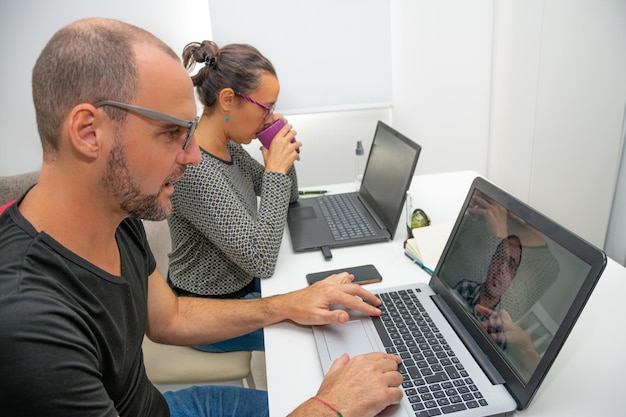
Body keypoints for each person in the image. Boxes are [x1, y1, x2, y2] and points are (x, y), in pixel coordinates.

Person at [0, 18, 402, 417]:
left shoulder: (120, 218)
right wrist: (330, 407)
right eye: (171, 132)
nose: (192, 155)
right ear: (89, 133)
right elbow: (258, 257)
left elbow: (170, 317)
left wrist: (288, 303)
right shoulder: (29, 326)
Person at [166, 41, 300, 353]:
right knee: (308, 328)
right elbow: (262, 259)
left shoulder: (227, 147)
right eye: (265, 107)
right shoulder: (195, 169)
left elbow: (288, 197)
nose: (270, 117)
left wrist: (280, 157)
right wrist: (276, 171)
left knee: (312, 294)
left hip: (242, 283)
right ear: (228, 99)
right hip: (209, 311)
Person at [453, 235, 523, 350]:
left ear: (513, 277)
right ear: (492, 260)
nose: (502, 269)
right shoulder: (465, 287)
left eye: (510, 265)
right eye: (500, 258)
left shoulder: (501, 328)